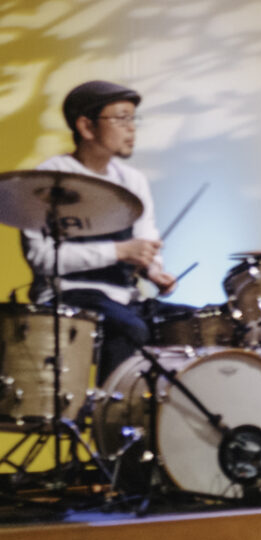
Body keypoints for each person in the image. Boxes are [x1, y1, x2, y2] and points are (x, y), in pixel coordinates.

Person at [19, 80, 175, 379]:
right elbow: (41, 257)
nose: (131, 128)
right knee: (128, 328)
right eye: (121, 119)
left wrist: (153, 270)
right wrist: (119, 251)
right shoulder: (48, 179)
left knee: (193, 323)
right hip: (68, 297)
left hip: (125, 299)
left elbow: (146, 237)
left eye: (133, 119)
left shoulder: (133, 181)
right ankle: (111, 408)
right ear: (87, 127)